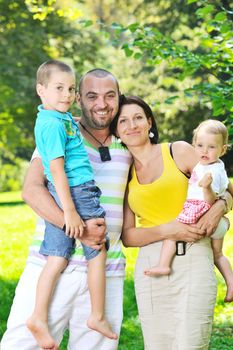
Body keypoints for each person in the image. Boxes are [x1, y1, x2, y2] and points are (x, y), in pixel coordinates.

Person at [0, 72, 225, 350]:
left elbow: (209, 174)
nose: (102, 104)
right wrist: (78, 231)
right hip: (55, 262)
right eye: (92, 96)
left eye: (110, 96)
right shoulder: (62, 132)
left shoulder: (128, 144)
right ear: (79, 99)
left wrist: (221, 205)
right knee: (23, 345)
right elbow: (31, 190)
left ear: (118, 99)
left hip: (108, 270)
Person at [111, 95, 232, 350]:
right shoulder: (124, 172)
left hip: (194, 256)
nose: (131, 125)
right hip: (151, 266)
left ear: (149, 122)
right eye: (123, 121)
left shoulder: (177, 151)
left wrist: (220, 206)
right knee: (157, 345)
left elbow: (227, 187)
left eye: (137, 118)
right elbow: (129, 236)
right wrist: (169, 229)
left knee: (192, 342)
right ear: (117, 131)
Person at [27, 60, 118, 350]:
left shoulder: (60, 119)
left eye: (69, 89)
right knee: (97, 248)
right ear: (40, 90)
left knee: (57, 257)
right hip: (77, 191)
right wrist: (69, 212)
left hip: (72, 192)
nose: (66, 95)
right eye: (59, 88)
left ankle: (38, 317)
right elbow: (55, 171)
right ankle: (97, 315)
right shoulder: (52, 124)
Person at [144, 119, 233, 302]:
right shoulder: (217, 167)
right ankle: (231, 283)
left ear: (223, 150)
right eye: (200, 145)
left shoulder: (211, 173)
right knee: (218, 254)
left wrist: (206, 187)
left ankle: (163, 265)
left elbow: (210, 201)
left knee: (171, 233)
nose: (204, 151)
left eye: (211, 147)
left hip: (200, 211)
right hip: (217, 223)